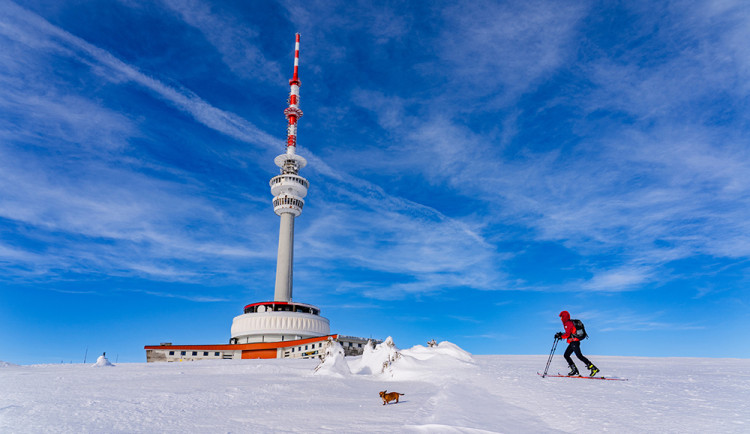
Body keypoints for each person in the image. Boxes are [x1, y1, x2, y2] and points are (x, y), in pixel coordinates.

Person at [555, 310, 599, 376]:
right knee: (566, 355)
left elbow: (567, 335)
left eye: (561, 317)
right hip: (574, 342)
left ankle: (593, 368)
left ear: (564, 316)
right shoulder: (569, 322)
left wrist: (560, 336)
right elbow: (570, 333)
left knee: (579, 356)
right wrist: (561, 334)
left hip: (574, 342)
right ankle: (574, 370)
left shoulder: (567, 323)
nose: (561, 318)